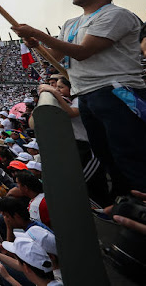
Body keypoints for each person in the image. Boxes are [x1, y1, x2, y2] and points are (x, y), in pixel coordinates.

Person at [12, 0, 146, 196]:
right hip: (87, 92)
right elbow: (56, 57)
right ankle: (125, 201)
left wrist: (38, 33)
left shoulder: (115, 15)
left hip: (117, 90)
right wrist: (36, 44)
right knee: (104, 152)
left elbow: (83, 52)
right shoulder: (71, 23)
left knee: (130, 152)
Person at [36, 77, 110, 206]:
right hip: (79, 147)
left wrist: (53, 93)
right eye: (56, 87)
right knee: (89, 185)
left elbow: (70, 113)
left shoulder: (78, 100)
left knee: (83, 184)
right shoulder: (72, 100)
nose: (57, 89)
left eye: (60, 87)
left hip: (88, 149)